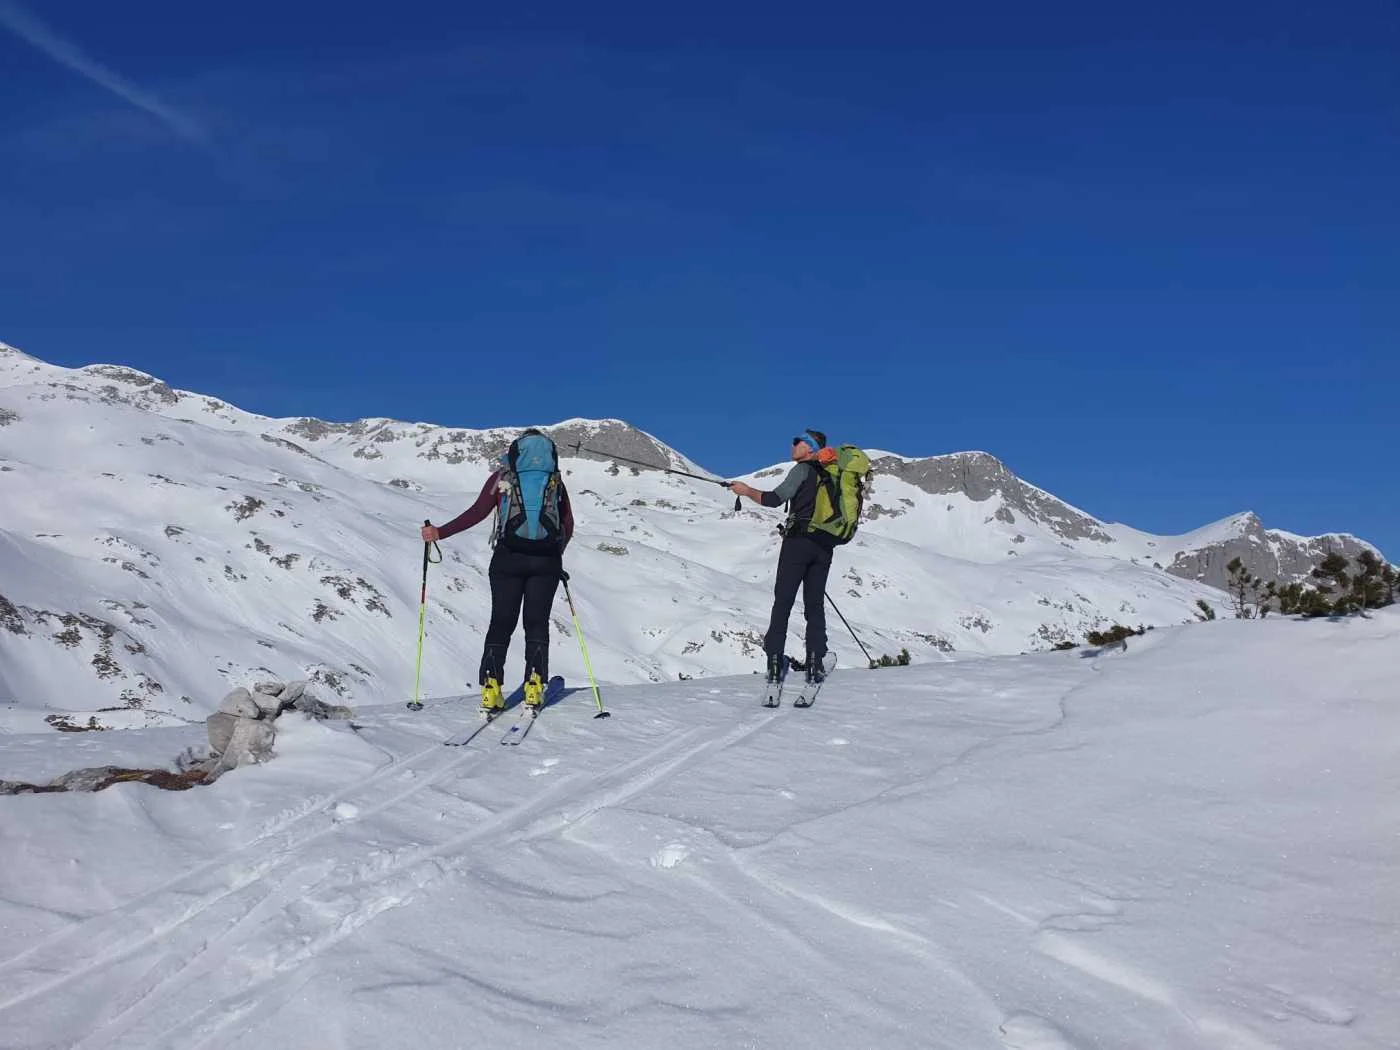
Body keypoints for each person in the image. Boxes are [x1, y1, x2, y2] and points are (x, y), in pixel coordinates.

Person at [421, 429, 573, 713]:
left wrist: (439, 532)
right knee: (536, 623)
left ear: (516, 451)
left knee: (501, 621)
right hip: (546, 561)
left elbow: (477, 512)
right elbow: (567, 525)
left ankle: (491, 688)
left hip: (507, 559)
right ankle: (534, 685)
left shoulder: (503, 478)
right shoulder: (555, 482)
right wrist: (554, 555)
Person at [728, 428, 838, 685]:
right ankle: (815, 665)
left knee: (783, 602)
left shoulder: (802, 470)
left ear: (809, 448)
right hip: (823, 545)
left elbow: (774, 499)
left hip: (797, 544)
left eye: (797, 442)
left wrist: (745, 491)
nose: (792, 445)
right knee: (815, 605)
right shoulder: (832, 475)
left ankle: (775, 663)